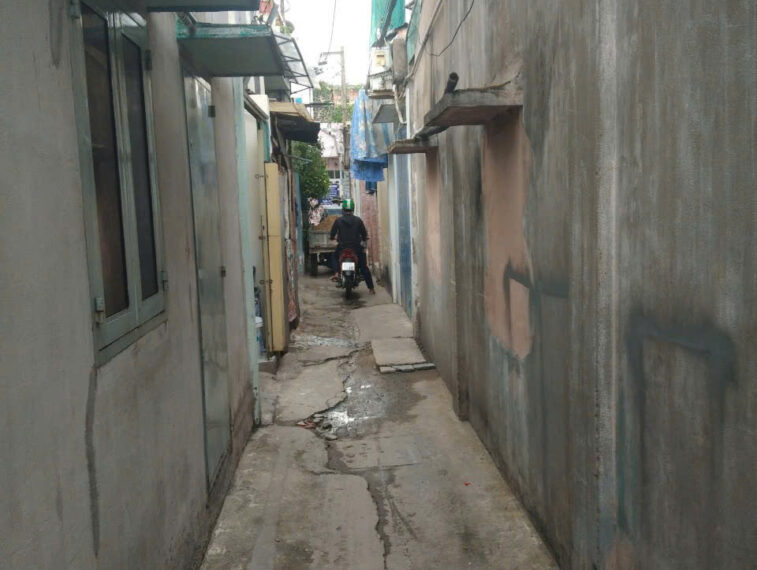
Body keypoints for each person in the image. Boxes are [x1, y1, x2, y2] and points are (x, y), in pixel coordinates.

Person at [329, 199, 375, 294]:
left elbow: (332, 233)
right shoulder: (358, 220)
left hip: (342, 248)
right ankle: (371, 288)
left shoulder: (338, 220)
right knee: (364, 267)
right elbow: (364, 233)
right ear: (353, 209)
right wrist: (365, 238)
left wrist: (332, 237)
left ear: (343, 209)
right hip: (356, 248)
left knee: (334, 256)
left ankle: (336, 273)